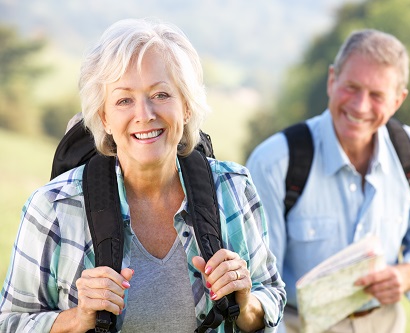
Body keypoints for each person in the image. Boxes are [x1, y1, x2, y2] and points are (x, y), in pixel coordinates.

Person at [0, 18, 285, 332]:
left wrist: (245, 305)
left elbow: (271, 294)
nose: (145, 114)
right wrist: (76, 320)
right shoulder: (52, 207)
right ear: (104, 117)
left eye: (161, 95)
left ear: (187, 106)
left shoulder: (233, 188)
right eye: (124, 100)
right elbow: (9, 323)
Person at [246, 29, 410, 333]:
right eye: (351, 87)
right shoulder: (274, 162)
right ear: (332, 81)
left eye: (377, 95)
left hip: (384, 324)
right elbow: (260, 283)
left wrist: (405, 276)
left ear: (398, 100)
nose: (360, 106)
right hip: (295, 325)